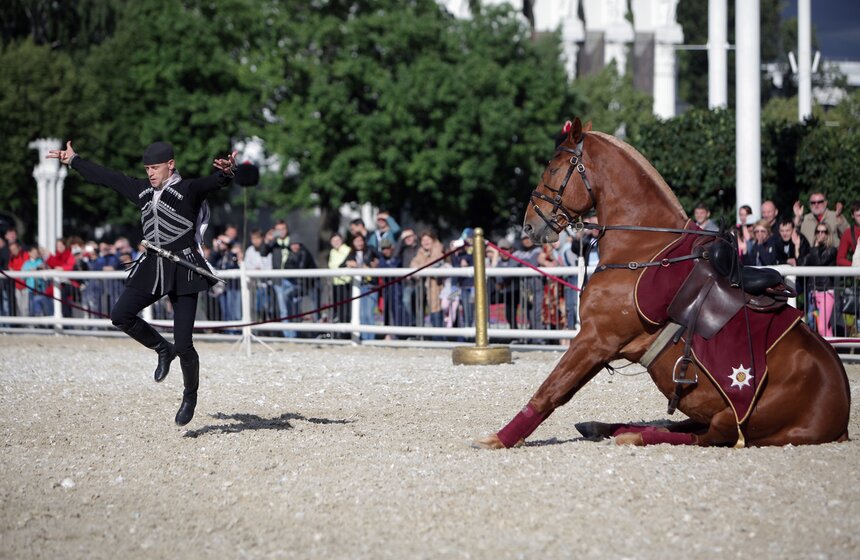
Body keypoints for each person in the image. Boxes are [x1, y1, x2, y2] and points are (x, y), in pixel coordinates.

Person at [47, 140, 237, 426]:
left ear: (170, 165)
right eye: (147, 168)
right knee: (120, 315)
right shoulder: (143, 191)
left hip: (184, 268)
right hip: (153, 266)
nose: (150, 173)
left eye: (155, 168)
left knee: (185, 344)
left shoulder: (187, 190)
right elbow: (110, 178)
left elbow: (212, 183)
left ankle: (189, 395)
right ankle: (162, 348)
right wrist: (75, 161)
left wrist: (226, 173)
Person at [800, 222, 838, 337]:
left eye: (823, 232)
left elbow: (820, 262)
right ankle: (832, 351)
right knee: (815, 326)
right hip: (813, 293)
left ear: (828, 234)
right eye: (818, 231)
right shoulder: (812, 250)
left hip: (827, 292)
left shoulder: (832, 250)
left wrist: (814, 248)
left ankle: (830, 352)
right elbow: (803, 264)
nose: (820, 234)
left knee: (822, 326)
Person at [343, 234, 381, 340]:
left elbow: (381, 260)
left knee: (369, 313)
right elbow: (342, 265)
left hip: (371, 285)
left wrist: (373, 265)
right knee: (361, 314)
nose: (359, 243)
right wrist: (348, 264)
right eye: (356, 241)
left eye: (360, 240)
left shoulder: (371, 250)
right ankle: (364, 338)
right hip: (358, 286)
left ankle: (371, 339)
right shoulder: (351, 253)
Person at [410, 231, 445, 337]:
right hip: (425, 286)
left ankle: (439, 338)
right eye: (423, 240)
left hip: (439, 287)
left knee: (438, 310)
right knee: (424, 308)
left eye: (427, 239)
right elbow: (413, 264)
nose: (425, 242)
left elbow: (434, 262)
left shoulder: (439, 249)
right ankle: (422, 335)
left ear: (433, 240)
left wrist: (420, 268)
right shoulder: (421, 252)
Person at [244, 229, 273, 321]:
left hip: (267, 285)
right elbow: (247, 265)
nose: (255, 241)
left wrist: (261, 270)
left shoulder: (268, 249)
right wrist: (254, 270)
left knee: (269, 309)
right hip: (254, 286)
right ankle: (260, 330)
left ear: (262, 238)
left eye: (257, 238)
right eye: (253, 238)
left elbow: (270, 266)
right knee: (257, 309)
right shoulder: (249, 250)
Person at [327, 232, 352, 328]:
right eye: (333, 241)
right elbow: (331, 266)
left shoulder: (348, 250)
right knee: (339, 309)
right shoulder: (332, 252)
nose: (336, 242)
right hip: (336, 283)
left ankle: (347, 331)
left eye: (338, 240)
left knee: (347, 309)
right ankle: (341, 330)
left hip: (346, 283)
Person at [836, 201, 860, 267]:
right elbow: (840, 259)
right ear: (852, 215)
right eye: (858, 216)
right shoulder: (848, 233)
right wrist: (854, 266)